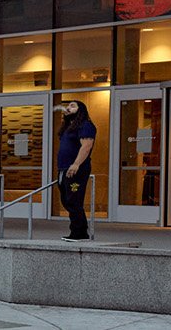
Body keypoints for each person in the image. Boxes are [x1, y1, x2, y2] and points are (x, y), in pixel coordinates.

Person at [56, 98, 97, 241]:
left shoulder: (86, 125)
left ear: (81, 110)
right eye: (67, 106)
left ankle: (79, 232)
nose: (68, 108)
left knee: (74, 200)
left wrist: (76, 164)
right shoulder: (69, 127)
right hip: (64, 169)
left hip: (76, 169)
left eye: (72, 106)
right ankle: (79, 231)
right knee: (67, 200)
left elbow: (86, 146)